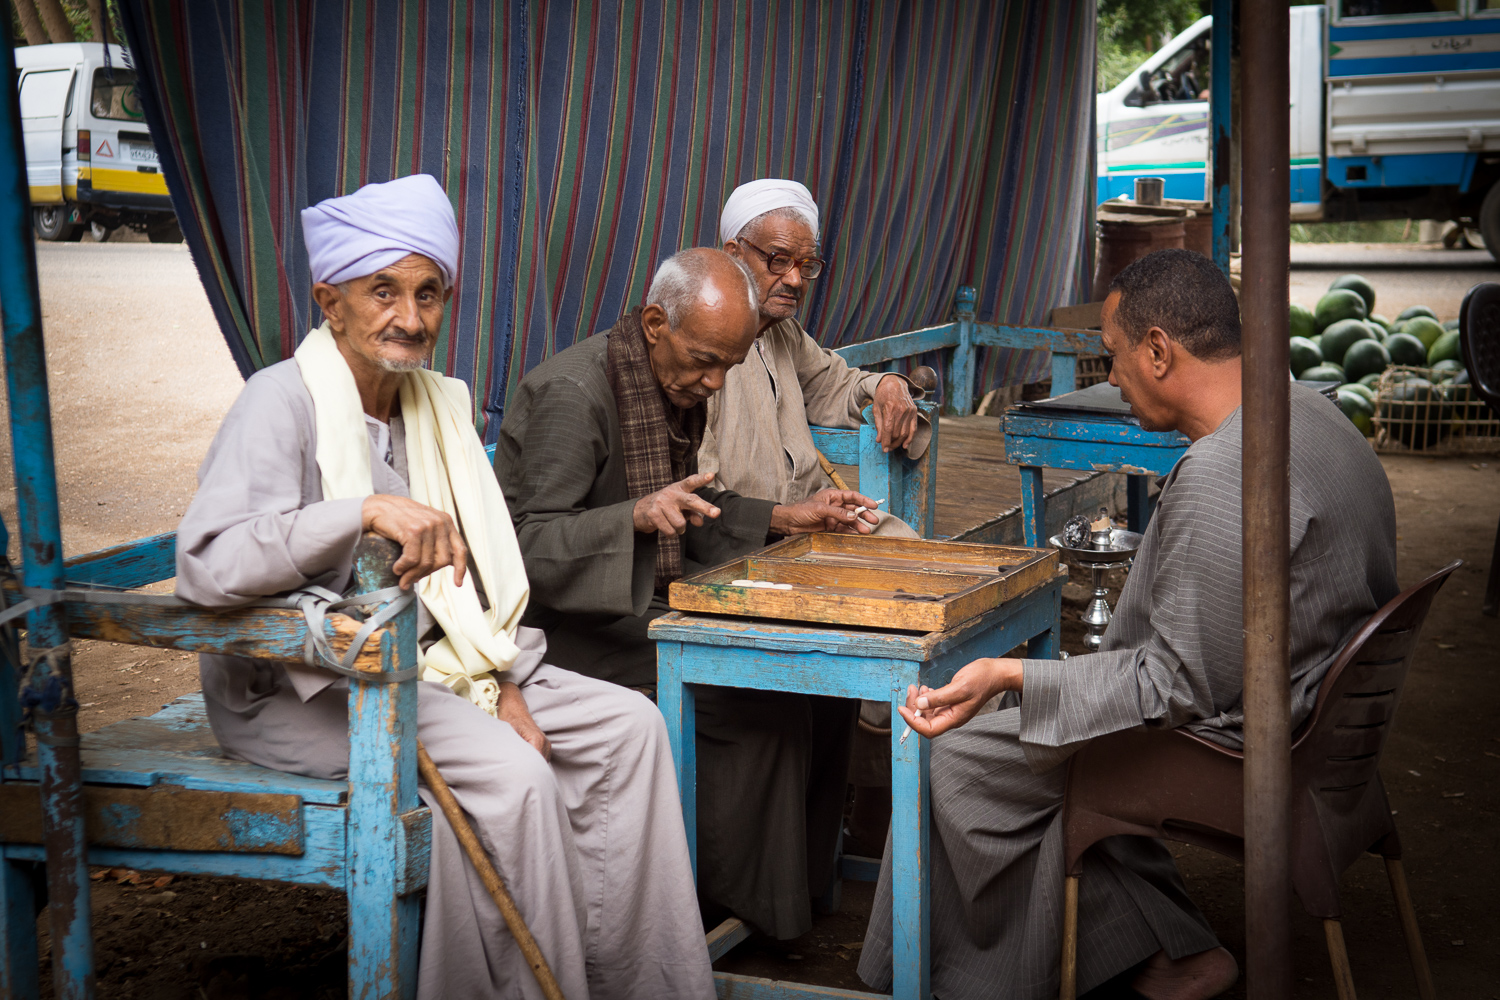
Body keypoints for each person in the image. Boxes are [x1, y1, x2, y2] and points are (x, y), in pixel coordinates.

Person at [176, 174, 714, 1000]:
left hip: (427, 665)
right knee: (515, 778)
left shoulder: (434, 405)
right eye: (382, 290)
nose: (411, 317)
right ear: (331, 299)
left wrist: (500, 682)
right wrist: (361, 511)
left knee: (630, 728)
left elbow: (480, 578)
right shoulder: (278, 403)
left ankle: (632, 985)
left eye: (429, 293)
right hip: (300, 687)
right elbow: (209, 567)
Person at [858, 249, 1399, 1000]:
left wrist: (1011, 673)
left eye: (1112, 359)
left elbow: (1170, 687)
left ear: (1158, 351)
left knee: (955, 757)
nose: (1110, 380)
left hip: (1242, 742)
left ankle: (978, 974)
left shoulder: (1224, 474)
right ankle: (1165, 946)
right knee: (1048, 726)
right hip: (1318, 720)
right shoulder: (1313, 411)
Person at [494, 247, 878, 943]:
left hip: (640, 602)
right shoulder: (574, 395)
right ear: (652, 323)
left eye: (727, 367)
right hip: (568, 629)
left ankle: (802, 888)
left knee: (825, 685)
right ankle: (734, 909)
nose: (712, 381)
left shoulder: (671, 383)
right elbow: (524, 549)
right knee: (762, 689)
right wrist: (632, 518)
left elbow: (691, 506)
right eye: (704, 361)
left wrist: (789, 517)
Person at [701, 178, 929, 538]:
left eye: (806, 265)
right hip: (745, 535)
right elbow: (700, 493)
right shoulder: (699, 342)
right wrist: (782, 517)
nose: (795, 279)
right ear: (734, 254)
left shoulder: (782, 331)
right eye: (778, 260)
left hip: (816, 518)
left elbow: (833, 385)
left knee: (906, 549)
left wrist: (886, 384)